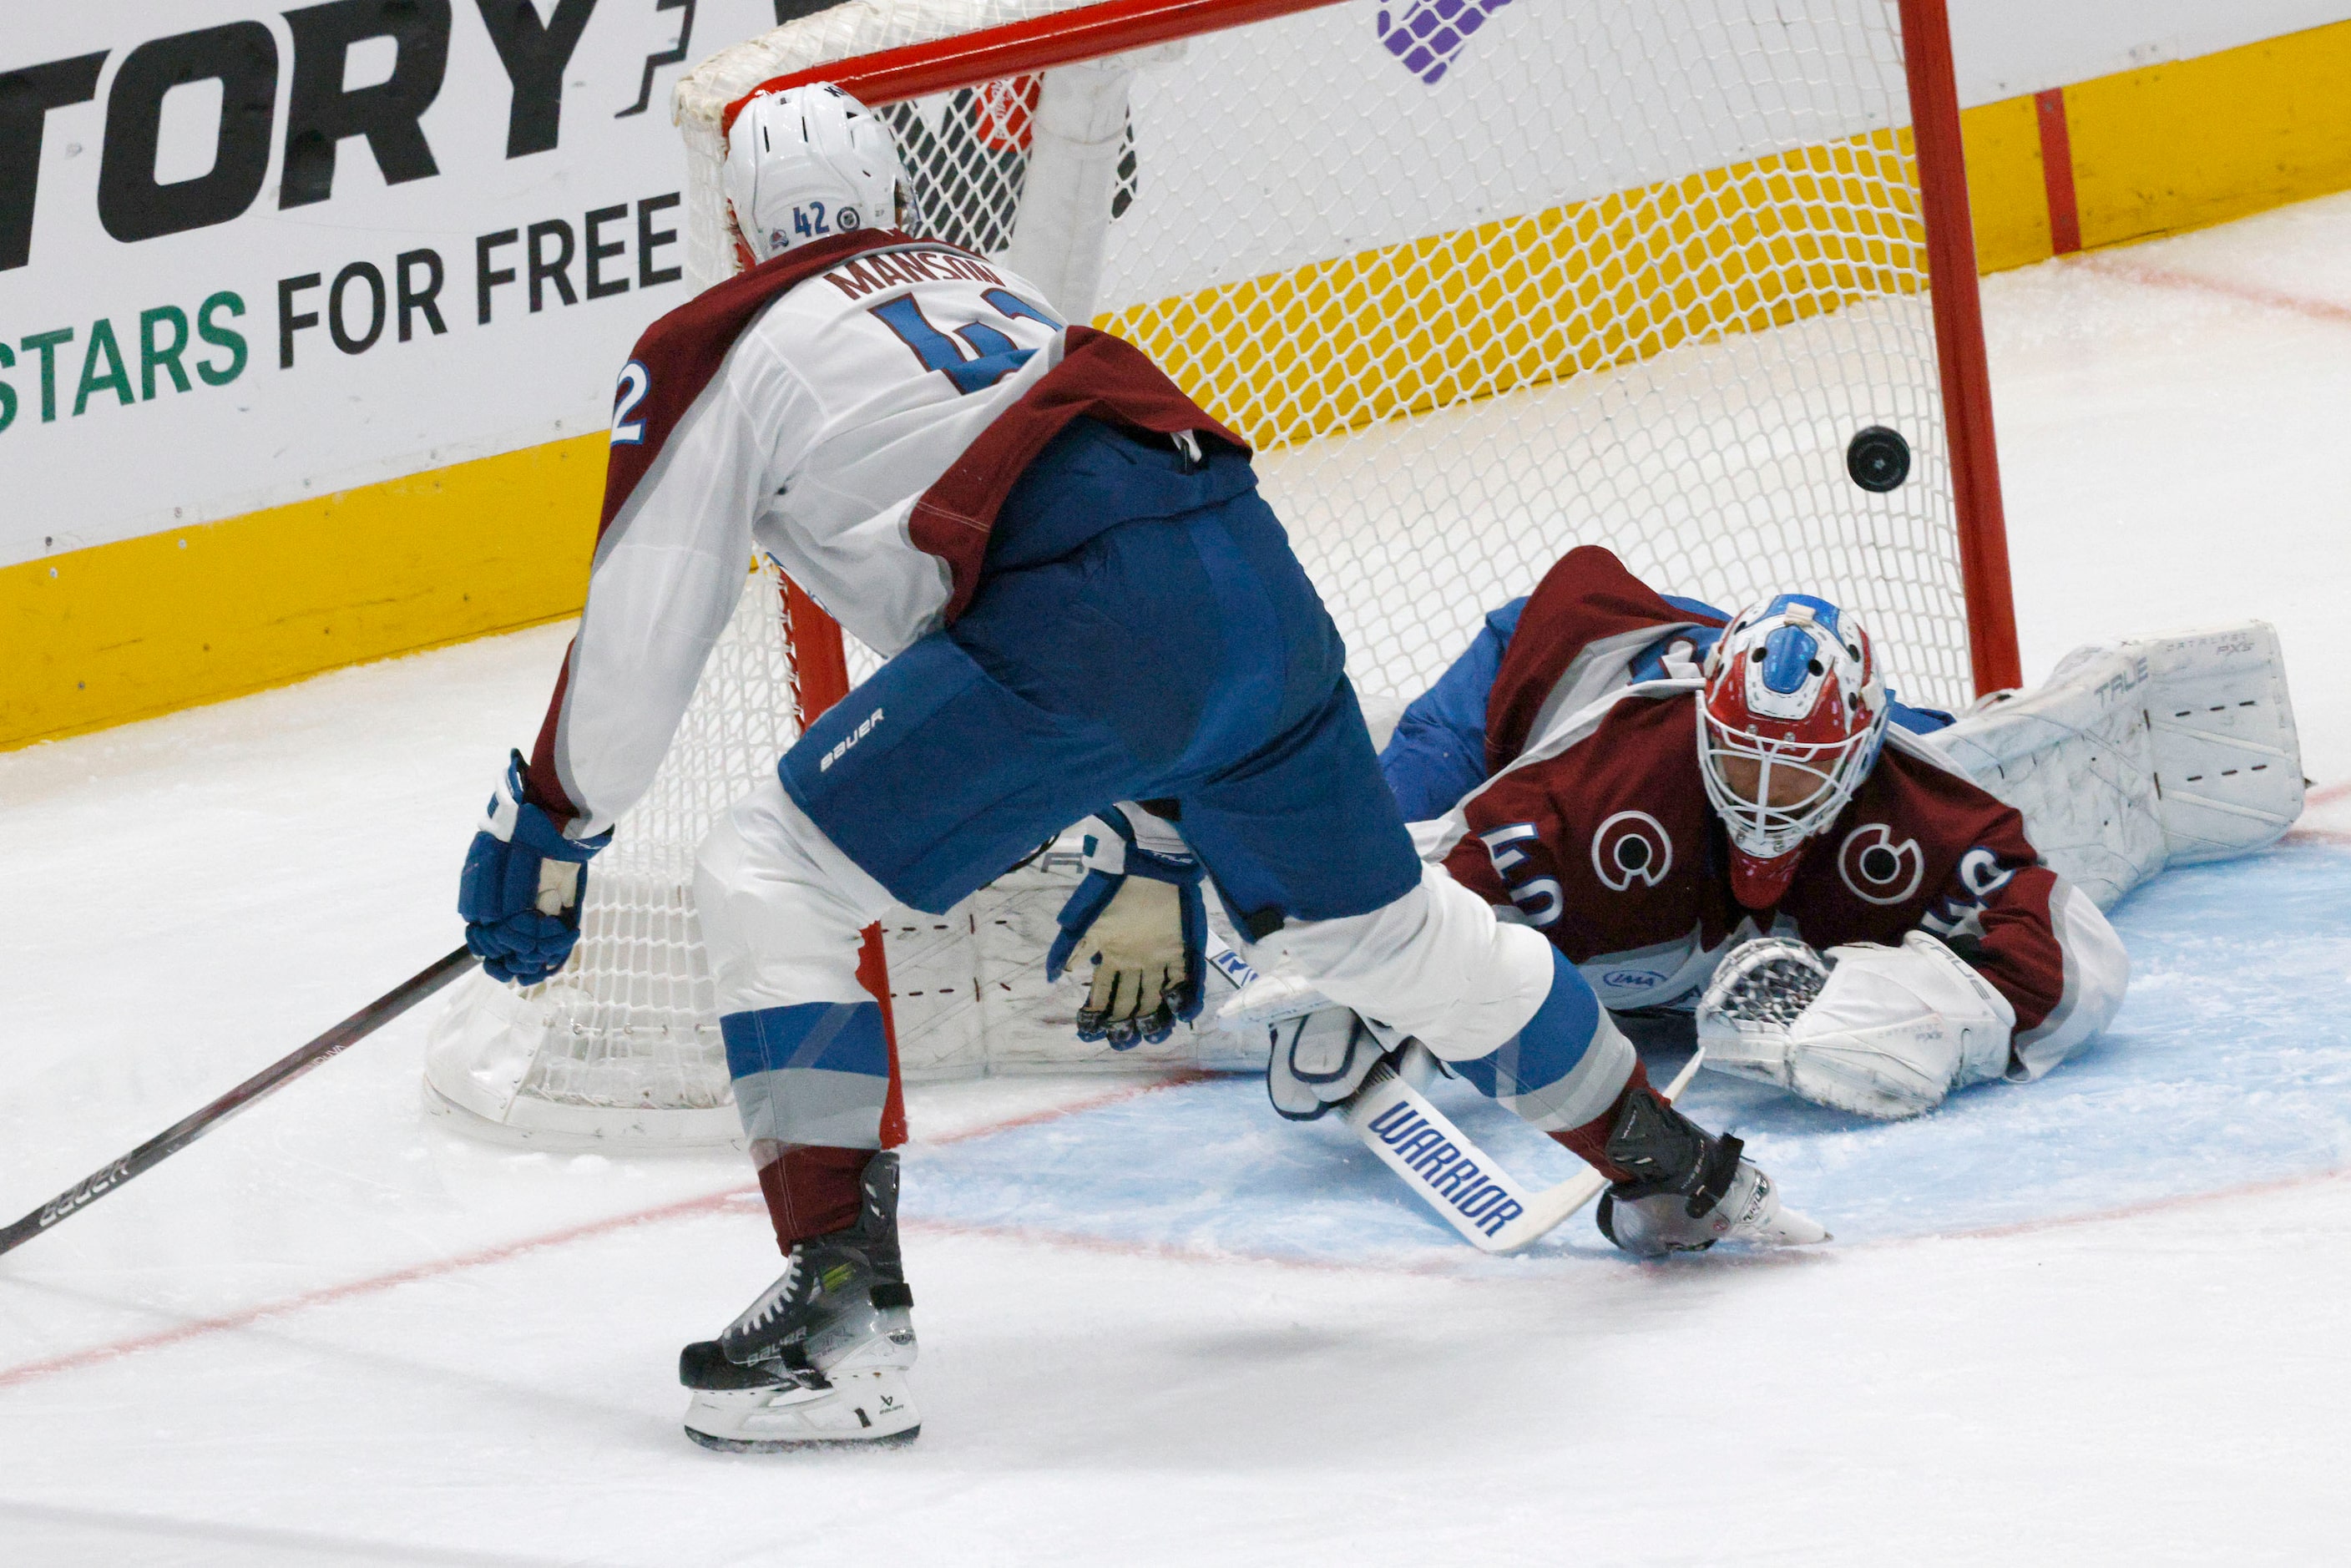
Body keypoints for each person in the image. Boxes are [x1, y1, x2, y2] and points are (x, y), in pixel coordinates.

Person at [453, 86, 1822, 1454]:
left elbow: (649, 616)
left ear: (739, 221)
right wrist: (1150, 840)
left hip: (1086, 620)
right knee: (1386, 929)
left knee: (767, 871)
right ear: (900, 204)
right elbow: (1114, 558)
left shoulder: (723, 337)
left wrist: (552, 821)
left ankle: (840, 1323)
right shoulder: (989, 283)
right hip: (1250, 583)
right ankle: (1680, 1172)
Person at [1358, 543, 2130, 1122]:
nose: (1763, 799)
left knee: (1944, 744)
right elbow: (1419, 894)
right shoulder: (1606, 782)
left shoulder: (1898, 795)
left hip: (1718, 680)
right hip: (1535, 667)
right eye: (1739, 759)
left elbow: (2078, 953)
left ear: (1861, 754)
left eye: (1799, 770)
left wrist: (1899, 1011)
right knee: (1380, 824)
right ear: (1702, 726)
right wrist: (1371, 992)